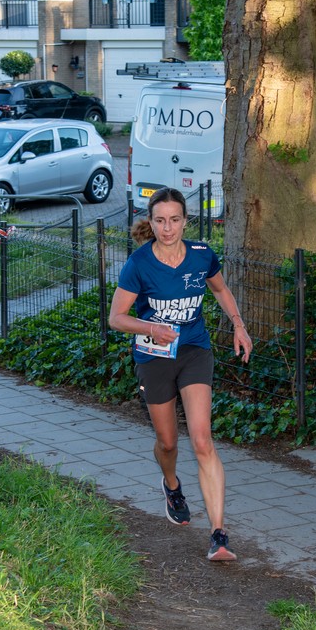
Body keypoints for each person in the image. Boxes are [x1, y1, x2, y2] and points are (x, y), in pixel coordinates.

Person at [109, 188, 252, 561]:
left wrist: (238, 325)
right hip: (153, 355)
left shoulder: (202, 256)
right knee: (168, 442)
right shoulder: (139, 263)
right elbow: (116, 317)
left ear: (185, 221)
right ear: (151, 222)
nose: (167, 228)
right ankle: (171, 484)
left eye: (174, 220)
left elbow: (220, 290)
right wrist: (151, 328)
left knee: (202, 439)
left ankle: (219, 535)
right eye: (159, 220)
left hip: (193, 349)